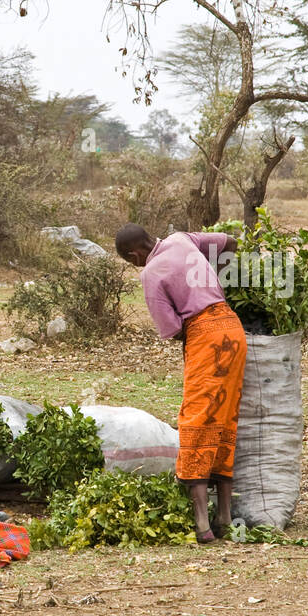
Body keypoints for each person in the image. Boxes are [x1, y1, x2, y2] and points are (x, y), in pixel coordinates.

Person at [115, 223, 246, 543]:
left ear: (135, 255)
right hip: (233, 327)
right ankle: (225, 517)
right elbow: (230, 242)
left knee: (196, 421)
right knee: (226, 418)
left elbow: (172, 328)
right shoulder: (182, 239)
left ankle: (202, 524)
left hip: (207, 338)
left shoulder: (150, 273)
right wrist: (216, 282)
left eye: (131, 261)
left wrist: (198, 324)